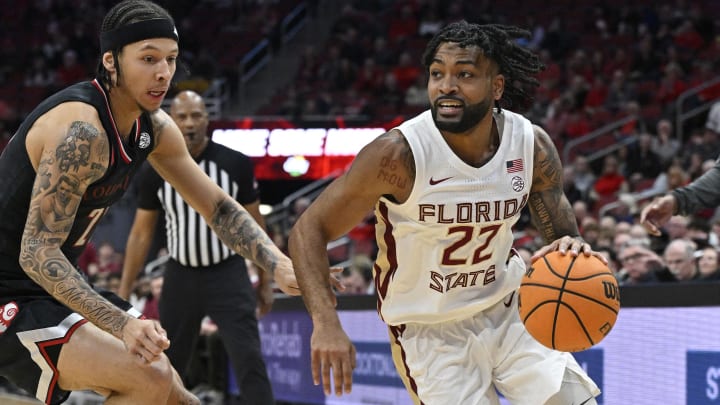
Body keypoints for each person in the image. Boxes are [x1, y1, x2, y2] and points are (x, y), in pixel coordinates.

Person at [0, 1, 300, 404]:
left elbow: (218, 207)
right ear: (111, 61)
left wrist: (276, 262)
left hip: (48, 286)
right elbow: (36, 253)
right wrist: (123, 324)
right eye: (148, 58)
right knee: (150, 376)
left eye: (171, 59)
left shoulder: (154, 128)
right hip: (12, 290)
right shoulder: (80, 130)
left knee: (177, 393)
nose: (163, 72)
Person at [288, 21, 601, 404]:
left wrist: (574, 249)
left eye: (465, 74)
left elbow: (562, 236)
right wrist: (325, 323)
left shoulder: (529, 144)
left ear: (496, 86)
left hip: (511, 309)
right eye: (437, 73)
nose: (446, 86)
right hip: (429, 329)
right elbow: (309, 228)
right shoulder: (397, 154)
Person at [118, 90, 276, 404]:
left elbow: (257, 227)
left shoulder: (236, 164)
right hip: (181, 276)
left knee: (249, 359)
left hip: (228, 273)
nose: (189, 123)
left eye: (196, 115)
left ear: (207, 119)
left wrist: (266, 280)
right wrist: (123, 292)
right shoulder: (155, 169)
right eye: (182, 117)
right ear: (170, 121)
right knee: (166, 363)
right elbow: (140, 234)